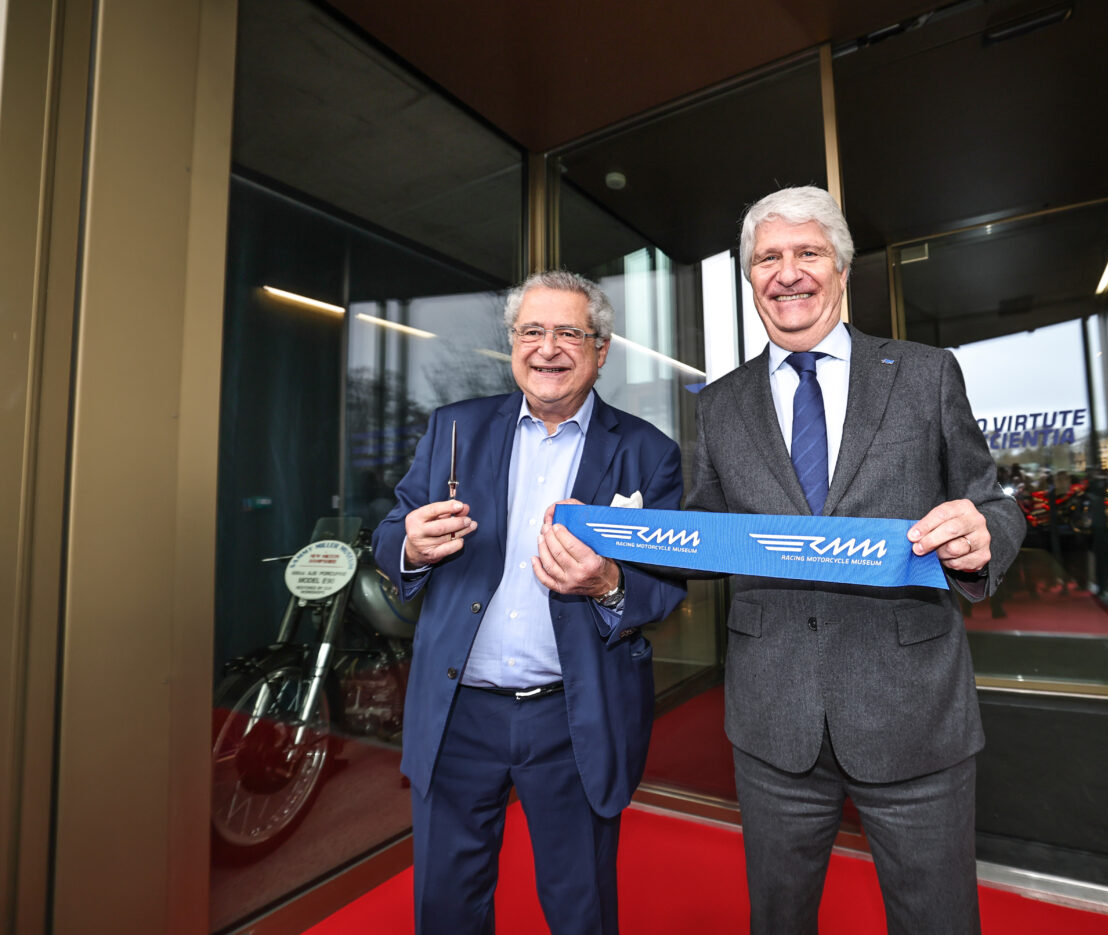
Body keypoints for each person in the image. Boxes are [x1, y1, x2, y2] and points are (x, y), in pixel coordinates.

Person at [687, 186, 1024, 934]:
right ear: (749, 278)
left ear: (841, 269)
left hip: (912, 711)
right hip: (772, 721)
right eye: (767, 259)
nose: (787, 273)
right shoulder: (718, 404)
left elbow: (992, 502)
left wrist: (982, 539)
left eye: (807, 252)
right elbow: (704, 532)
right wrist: (613, 544)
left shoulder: (926, 373)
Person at [372, 270, 686, 935]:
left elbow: (666, 583)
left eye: (568, 332)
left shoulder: (647, 452)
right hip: (457, 712)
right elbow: (390, 532)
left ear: (600, 350)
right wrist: (411, 546)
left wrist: (609, 584)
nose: (547, 348)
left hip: (573, 716)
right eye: (532, 331)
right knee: (446, 905)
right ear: (513, 343)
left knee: (580, 909)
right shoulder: (454, 428)